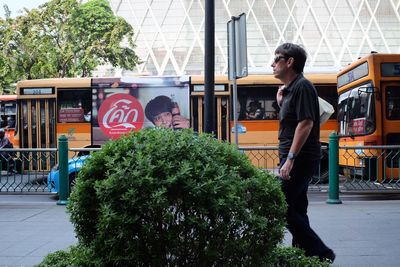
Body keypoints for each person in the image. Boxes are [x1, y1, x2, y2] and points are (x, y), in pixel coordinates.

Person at [272, 43, 335, 263]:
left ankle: (321, 251)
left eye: (276, 58)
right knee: (297, 207)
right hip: (293, 157)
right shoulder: (290, 90)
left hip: (298, 158)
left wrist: (290, 159)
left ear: (290, 62)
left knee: (279, 204)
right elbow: (292, 121)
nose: (272, 64)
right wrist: (281, 102)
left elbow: (306, 123)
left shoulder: (303, 86)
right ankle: (304, 255)